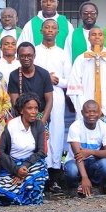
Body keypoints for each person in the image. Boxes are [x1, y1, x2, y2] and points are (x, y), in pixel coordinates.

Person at [34, 19, 71, 191]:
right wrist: (44, 78)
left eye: (53, 28)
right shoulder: (34, 51)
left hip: (56, 96)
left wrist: (56, 80)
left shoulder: (62, 53)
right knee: (39, 132)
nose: (50, 30)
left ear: (58, 32)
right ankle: (38, 172)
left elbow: (69, 80)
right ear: (41, 30)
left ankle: (54, 174)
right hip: (36, 97)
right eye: (47, 27)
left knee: (56, 132)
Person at [0, 92, 48, 205]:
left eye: (36, 108)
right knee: (1, 192)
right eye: (30, 108)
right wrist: (16, 170)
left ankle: (27, 197)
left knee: (38, 173)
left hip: (31, 164)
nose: (34, 112)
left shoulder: (39, 125)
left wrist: (24, 167)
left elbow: (42, 152)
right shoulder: (11, 124)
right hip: (11, 164)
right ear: (21, 110)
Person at [68, 27, 106, 118]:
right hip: (85, 108)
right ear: (88, 39)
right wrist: (86, 108)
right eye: (93, 35)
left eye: (100, 35)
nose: (97, 37)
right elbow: (75, 86)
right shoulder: (81, 59)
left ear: (104, 38)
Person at [65, 100, 106, 197]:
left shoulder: (105, 127)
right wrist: (84, 177)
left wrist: (90, 152)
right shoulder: (75, 127)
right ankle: (73, 188)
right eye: (88, 112)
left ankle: (95, 187)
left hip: (93, 163)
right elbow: (78, 156)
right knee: (72, 170)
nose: (91, 114)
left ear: (99, 113)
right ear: (82, 113)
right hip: (75, 161)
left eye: (95, 111)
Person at [7, 42, 54, 132]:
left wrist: (42, 122)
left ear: (34, 56)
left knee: (42, 145)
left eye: (29, 55)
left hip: (41, 117)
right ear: (18, 57)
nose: (26, 58)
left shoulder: (44, 74)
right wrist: (23, 121)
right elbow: (15, 103)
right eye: (22, 56)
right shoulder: (14, 75)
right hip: (22, 118)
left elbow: (49, 100)